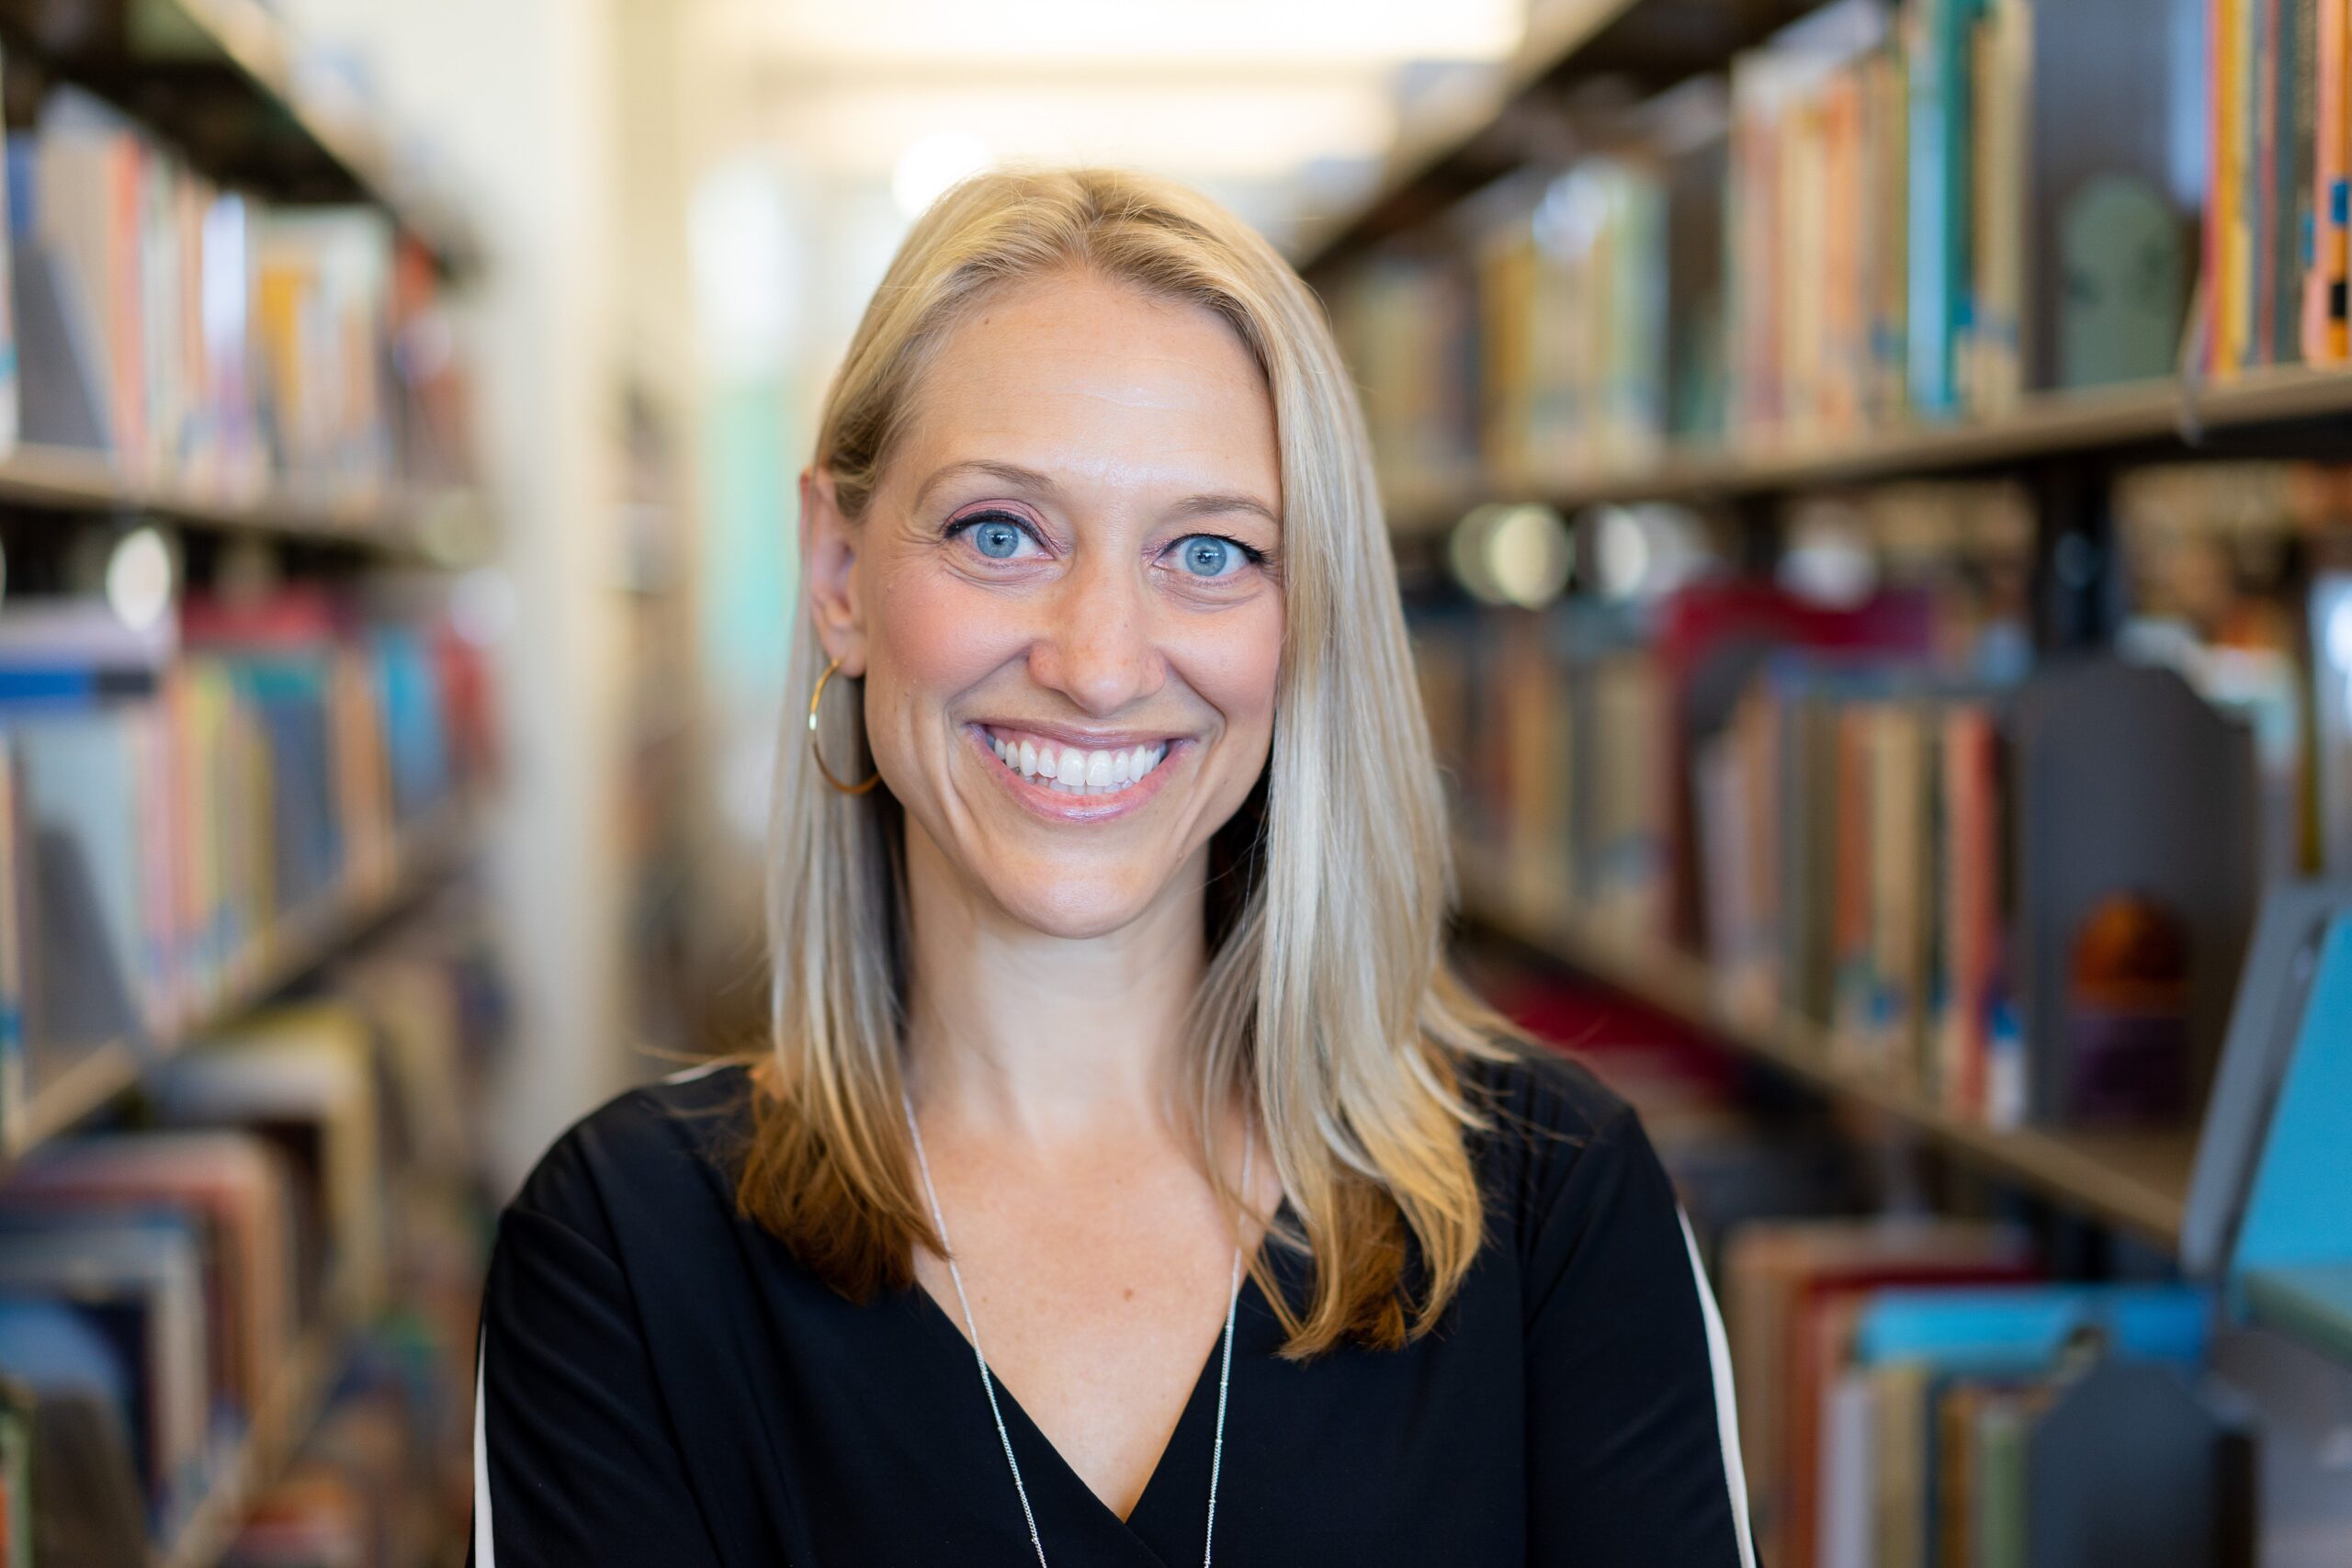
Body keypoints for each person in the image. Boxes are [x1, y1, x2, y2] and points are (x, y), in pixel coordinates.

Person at [469, 167, 1756, 1567]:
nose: (1098, 666)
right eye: (1000, 533)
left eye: (1210, 552)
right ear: (837, 573)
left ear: (1304, 616)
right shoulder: (622, 1258)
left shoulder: (1554, 1214)